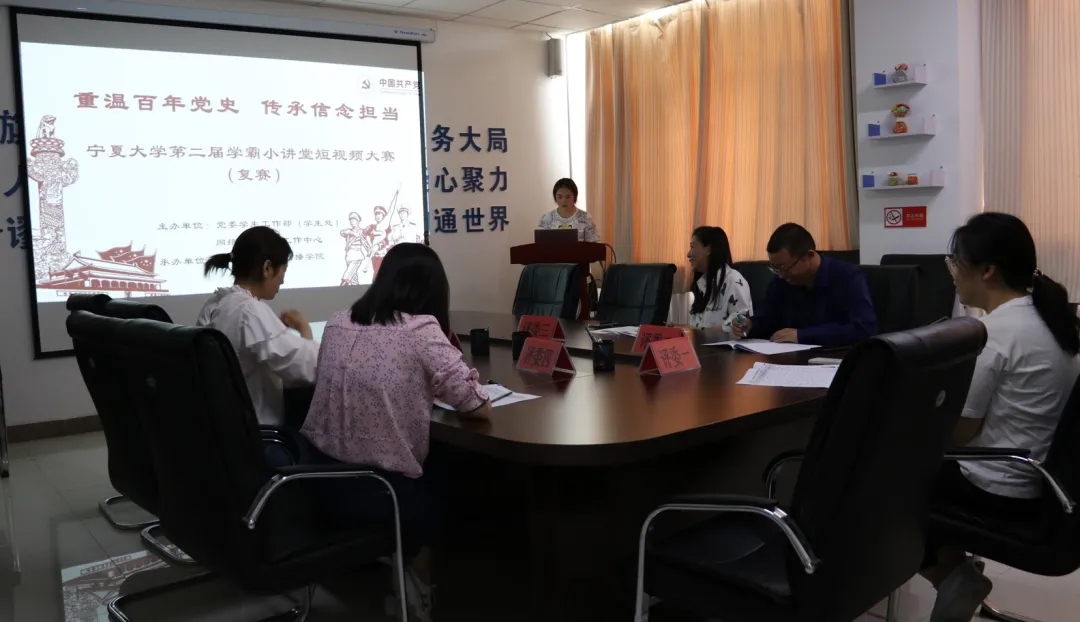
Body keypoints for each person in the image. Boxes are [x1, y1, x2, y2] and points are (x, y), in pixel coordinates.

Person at [300, 242, 491, 622]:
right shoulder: (420, 329)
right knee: (451, 473)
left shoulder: (338, 321)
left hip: (317, 479)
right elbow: (477, 405)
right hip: (376, 491)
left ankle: (402, 572)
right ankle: (419, 582)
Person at [922, 212, 1080, 622]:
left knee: (884, 477)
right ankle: (955, 573)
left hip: (1001, 487)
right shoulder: (1047, 318)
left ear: (987, 271)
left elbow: (961, 432)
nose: (952, 274)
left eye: (955, 262)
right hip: (1038, 479)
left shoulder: (995, 334)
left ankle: (949, 574)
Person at [196, 226, 319, 428]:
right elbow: (302, 367)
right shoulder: (250, 311)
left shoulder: (214, 304)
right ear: (267, 268)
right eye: (283, 270)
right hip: (260, 435)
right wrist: (304, 328)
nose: (283, 280)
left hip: (225, 431)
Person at [731, 223, 876, 346]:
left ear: (810, 256)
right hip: (787, 359)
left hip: (834, 360)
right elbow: (768, 317)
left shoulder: (847, 276)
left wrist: (802, 335)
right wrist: (750, 325)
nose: (781, 275)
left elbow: (864, 328)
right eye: (775, 268)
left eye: (785, 267)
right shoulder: (783, 281)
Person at [687, 225, 753, 330]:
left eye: (692, 247)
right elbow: (698, 327)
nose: (688, 254)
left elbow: (741, 327)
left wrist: (702, 332)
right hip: (701, 340)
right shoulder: (702, 283)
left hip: (722, 342)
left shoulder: (734, 281)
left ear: (708, 249)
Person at [537, 178, 600, 242]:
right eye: (560, 197)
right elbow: (540, 243)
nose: (564, 201)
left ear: (575, 197)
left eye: (568, 197)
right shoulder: (547, 218)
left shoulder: (585, 218)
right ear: (555, 197)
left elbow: (594, 244)